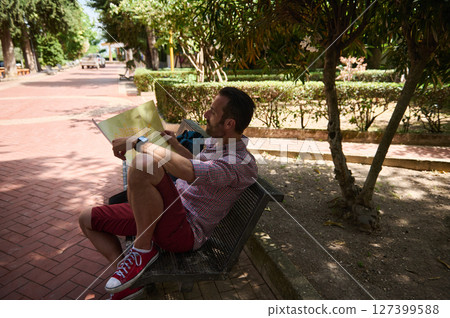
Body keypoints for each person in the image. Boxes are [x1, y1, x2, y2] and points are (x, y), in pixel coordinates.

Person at [79, 87, 258, 300]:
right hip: (165, 211)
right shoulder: (217, 144)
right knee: (86, 219)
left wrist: (139, 143)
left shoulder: (241, 164)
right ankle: (131, 282)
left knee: (143, 164)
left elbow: (190, 172)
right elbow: (196, 163)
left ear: (229, 124)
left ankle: (142, 251)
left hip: (185, 230)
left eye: (212, 111)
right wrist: (173, 145)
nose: (205, 115)